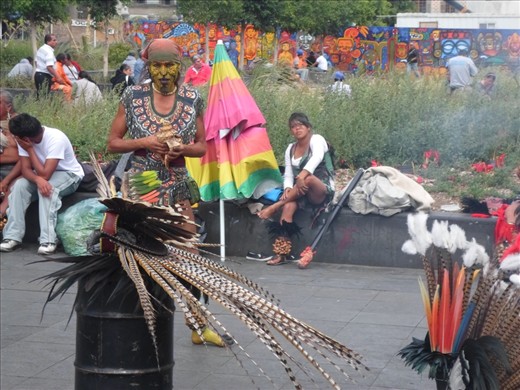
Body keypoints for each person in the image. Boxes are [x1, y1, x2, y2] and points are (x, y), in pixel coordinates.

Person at [107, 38, 227, 347]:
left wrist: (182, 148)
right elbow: (113, 142)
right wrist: (144, 142)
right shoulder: (132, 96)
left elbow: (201, 146)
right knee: (137, 249)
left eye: (169, 65)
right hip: (142, 180)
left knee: (189, 251)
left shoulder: (191, 98)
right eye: (157, 65)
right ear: (149, 66)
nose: (163, 72)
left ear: (179, 67)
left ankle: (198, 324)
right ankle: (133, 322)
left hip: (176, 181)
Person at [258, 112, 335, 269]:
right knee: (288, 206)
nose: (297, 129)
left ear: (308, 127)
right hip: (301, 191)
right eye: (293, 127)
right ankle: (282, 253)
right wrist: (287, 188)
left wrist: (301, 176)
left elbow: (317, 158)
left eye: (300, 125)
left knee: (308, 179)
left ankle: (274, 207)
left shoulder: (317, 140)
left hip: (320, 188)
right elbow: (287, 173)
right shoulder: (290, 149)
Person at [0, 113, 84, 254]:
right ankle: (12, 236)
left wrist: (30, 150)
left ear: (25, 138)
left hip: (69, 174)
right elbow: (26, 170)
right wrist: (38, 179)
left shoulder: (56, 138)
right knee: (19, 186)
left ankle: (48, 240)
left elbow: (45, 174)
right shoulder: (24, 141)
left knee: (47, 189)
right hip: (42, 175)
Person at [0, 90, 21, 222]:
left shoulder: (18, 123)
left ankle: (2, 212)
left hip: (17, 170)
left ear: (8, 106)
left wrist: (5, 181)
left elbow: (24, 158)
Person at [34, 34, 62, 98]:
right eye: (54, 40)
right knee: (44, 97)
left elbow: (36, 62)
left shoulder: (41, 49)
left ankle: (39, 107)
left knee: (40, 96)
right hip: (44, 76)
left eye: (56, 40)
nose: (56, 42)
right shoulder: (49, 51)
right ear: (48, 42)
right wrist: (58, 77)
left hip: (38, 75)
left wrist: (40, 68)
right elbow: (49, 67)